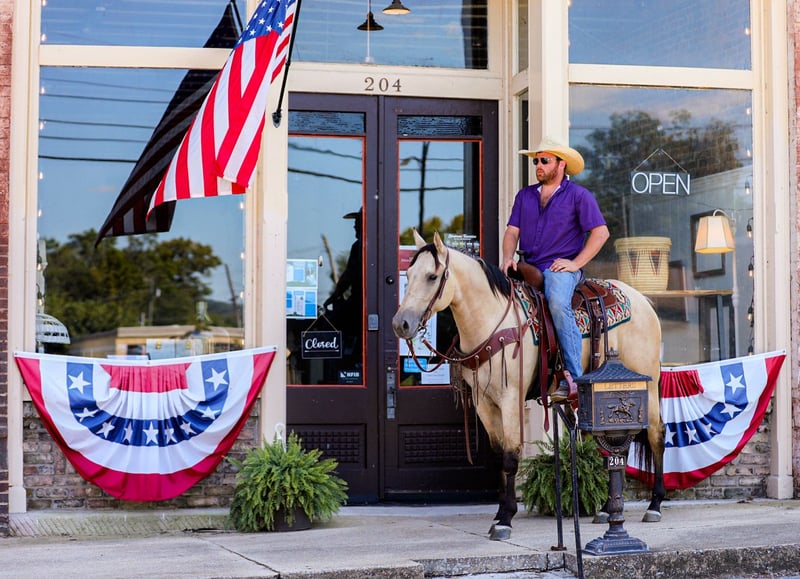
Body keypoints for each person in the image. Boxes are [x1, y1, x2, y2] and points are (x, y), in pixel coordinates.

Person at [501, 139, 609, 402]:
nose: (538, 165)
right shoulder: (524, 195)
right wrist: (507, 258)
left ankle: (574, 379)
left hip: (560, 269)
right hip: (528, 266)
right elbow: (512, 232)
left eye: (544, 160)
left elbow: (601, 233)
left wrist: (575, 264)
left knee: (558, 304)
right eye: (536, 160)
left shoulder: (579, 195)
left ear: (561, 164)